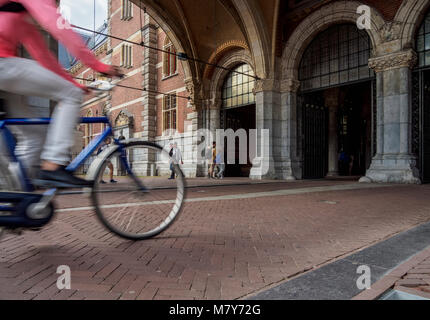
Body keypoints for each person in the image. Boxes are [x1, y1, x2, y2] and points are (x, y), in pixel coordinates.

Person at [0, 0, 122, 188]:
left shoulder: (21, 18)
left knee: (34, 136)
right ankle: (52, 167)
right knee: (71, 95)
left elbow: (44, 56)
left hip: (6, 72)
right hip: (3, 64)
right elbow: (62, 30)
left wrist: (74, 84)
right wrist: (99, 66)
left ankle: (16, 197)